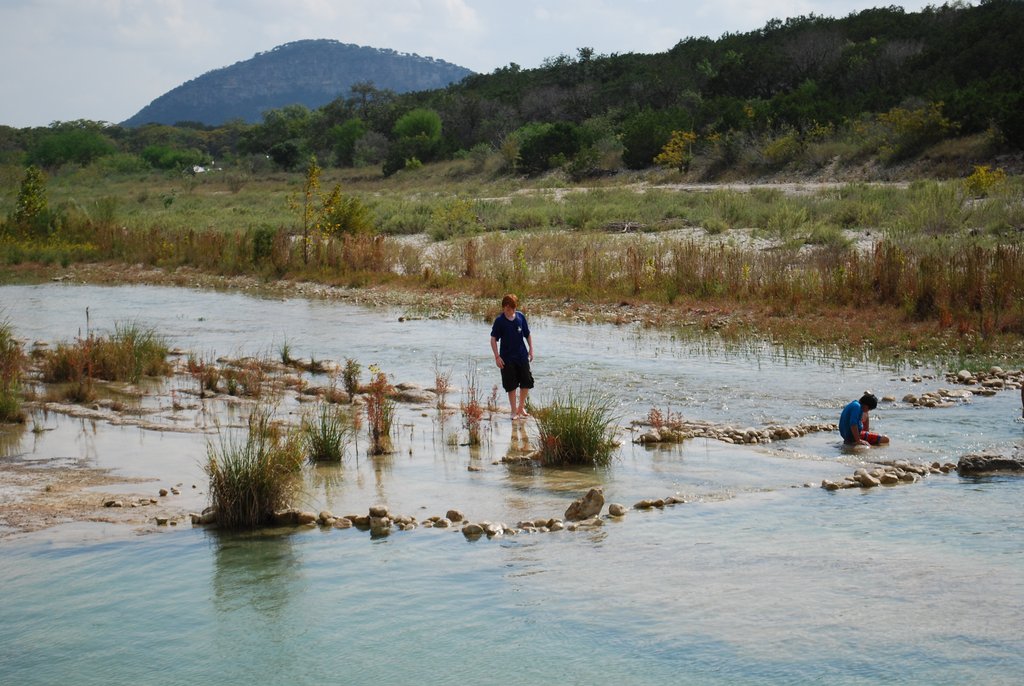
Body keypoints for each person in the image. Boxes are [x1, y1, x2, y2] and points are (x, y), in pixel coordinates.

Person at [490, 293, 534, 420]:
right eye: (509, 309)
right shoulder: (500, 321)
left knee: (527, 382)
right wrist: (497, 357)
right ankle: (514, 411)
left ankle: (521, 407)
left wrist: (531, 349)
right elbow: (493, 339)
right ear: (504, 307)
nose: (511, 311)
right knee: (511, 385)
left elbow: (527, 334)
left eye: (513, 308)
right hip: (507, 358)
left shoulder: (520, 317)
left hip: (522, 355)